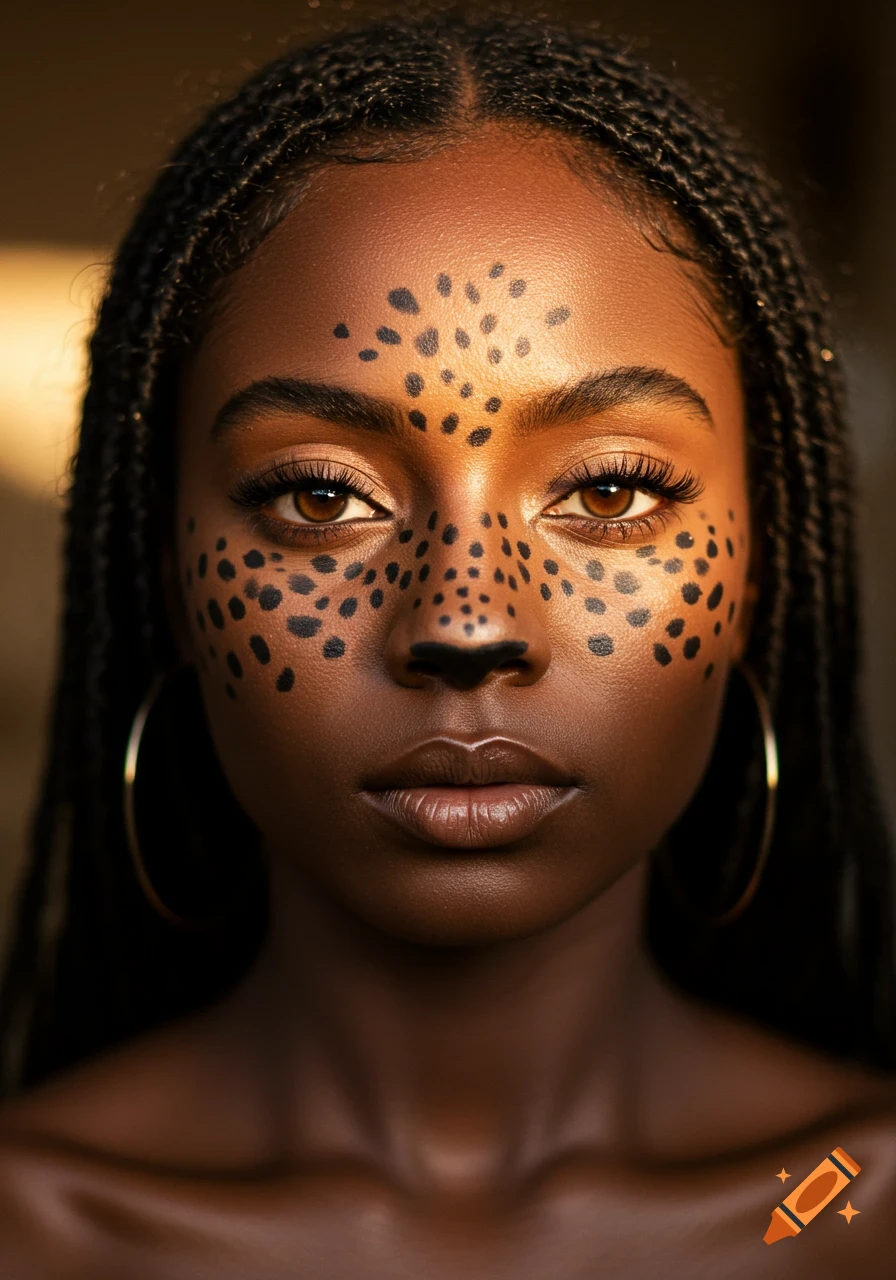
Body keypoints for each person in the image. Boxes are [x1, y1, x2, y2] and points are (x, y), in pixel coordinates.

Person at [0, 13, 893, 1277]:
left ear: (760, 560)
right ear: (167, 573)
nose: (465, 621)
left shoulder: (850, 1205)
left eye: (612, 489)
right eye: (318, 494)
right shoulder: (33, 1232)